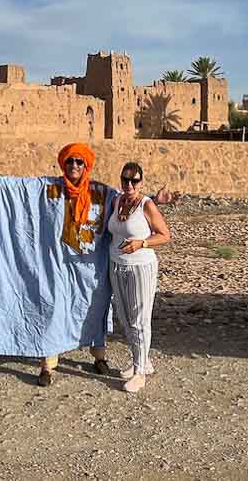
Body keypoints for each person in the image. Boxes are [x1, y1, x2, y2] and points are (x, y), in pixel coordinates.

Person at [0, 143, 176, 387]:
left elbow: (131, 202)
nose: (74, 166)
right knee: (54, 309)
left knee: (95, 309)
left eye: (79, 162)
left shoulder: (101, 192)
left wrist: (156, 200)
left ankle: (99, 355)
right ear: (63, 164)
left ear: (86, 166)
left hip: (92, 268)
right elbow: (19, 189)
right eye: (70, 161)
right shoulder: (50, 189)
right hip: (58, 267)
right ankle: (48, 364)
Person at [108, 162, 171, 393]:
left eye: (134, 180)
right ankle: (142, 360)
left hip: (140, 267)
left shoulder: (147, 205)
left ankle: (139, 372)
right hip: (116, 264)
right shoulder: (117, 201)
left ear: (141, 182)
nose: (129, 184)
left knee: (140, 319)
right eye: (125, 179)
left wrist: (141, 243)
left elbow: (164, 235)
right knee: (124, 317)